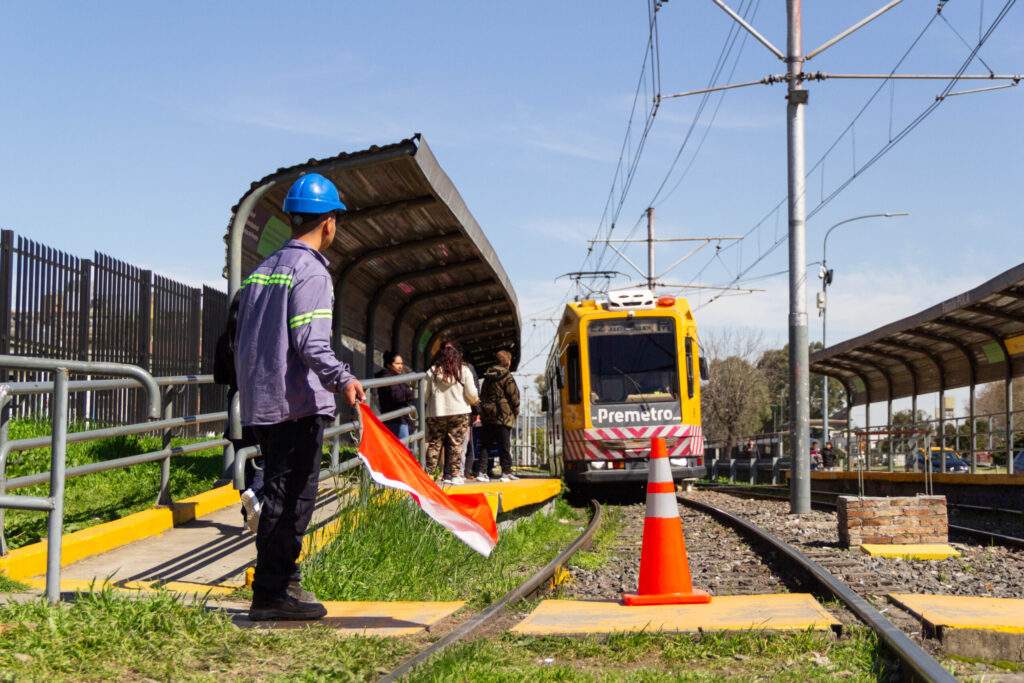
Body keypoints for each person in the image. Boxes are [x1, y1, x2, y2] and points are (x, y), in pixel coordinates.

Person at [234, 172, 365, 622]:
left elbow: (241, 341)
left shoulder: (261, 272)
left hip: (263, 403)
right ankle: (272, 593)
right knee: (291, 503)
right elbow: (310, 341)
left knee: (277, 496)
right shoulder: (311, 271)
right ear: (329, 223)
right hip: (297, 404)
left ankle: (283, 583)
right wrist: (342, 378)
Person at [213, 292, 262, 534]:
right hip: (260, 402)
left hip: (236, 404)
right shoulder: (260, 337)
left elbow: (219, 376)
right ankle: (256, 495)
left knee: (243, 458)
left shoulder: (226, 339)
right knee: (263, 457)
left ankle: (247, 514)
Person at [424, 341, 478, 484]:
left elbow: (424, 395)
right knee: (456, 445)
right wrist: (474, 401)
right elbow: (472, 394)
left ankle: (429, 475)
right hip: (459, 412)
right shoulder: (463, 370)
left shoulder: (432, 371)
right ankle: (454, 476)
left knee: (434, 444)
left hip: (436, 412)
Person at [478, 350, 520, 482]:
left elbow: (482, 394)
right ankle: (506, 472)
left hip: (488, 414)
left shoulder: (488, 376)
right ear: (508, 362)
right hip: (503, 415)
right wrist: (515, 410)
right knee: (504, 445)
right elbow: (513, 395)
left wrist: (484, 410)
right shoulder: (507, 376)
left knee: (486, 445)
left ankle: (481, 472)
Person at [374, 351, 414, 441]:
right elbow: (396, 396)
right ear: (389, 365)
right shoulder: (388, 378)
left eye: (401, 364)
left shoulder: (394, 377)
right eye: (397, 363)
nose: (400, 366)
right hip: (396, 421)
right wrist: (409, 392)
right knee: (402, 448)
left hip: (398, 419)